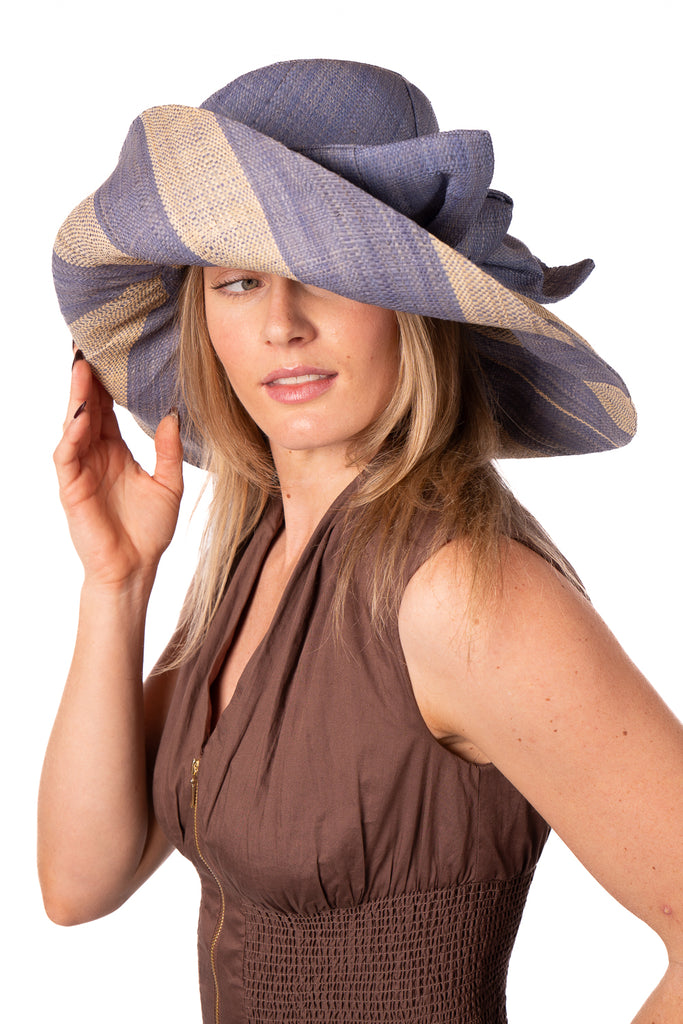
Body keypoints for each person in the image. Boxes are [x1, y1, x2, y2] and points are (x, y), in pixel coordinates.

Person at [38, 59, 682, 1023]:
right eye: (241, 281)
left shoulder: (462, 593)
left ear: (416, 309)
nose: (282, 325)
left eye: (329, 276)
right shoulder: (259, 553)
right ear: (201, 315)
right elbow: (77, 886)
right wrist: (117, 585)